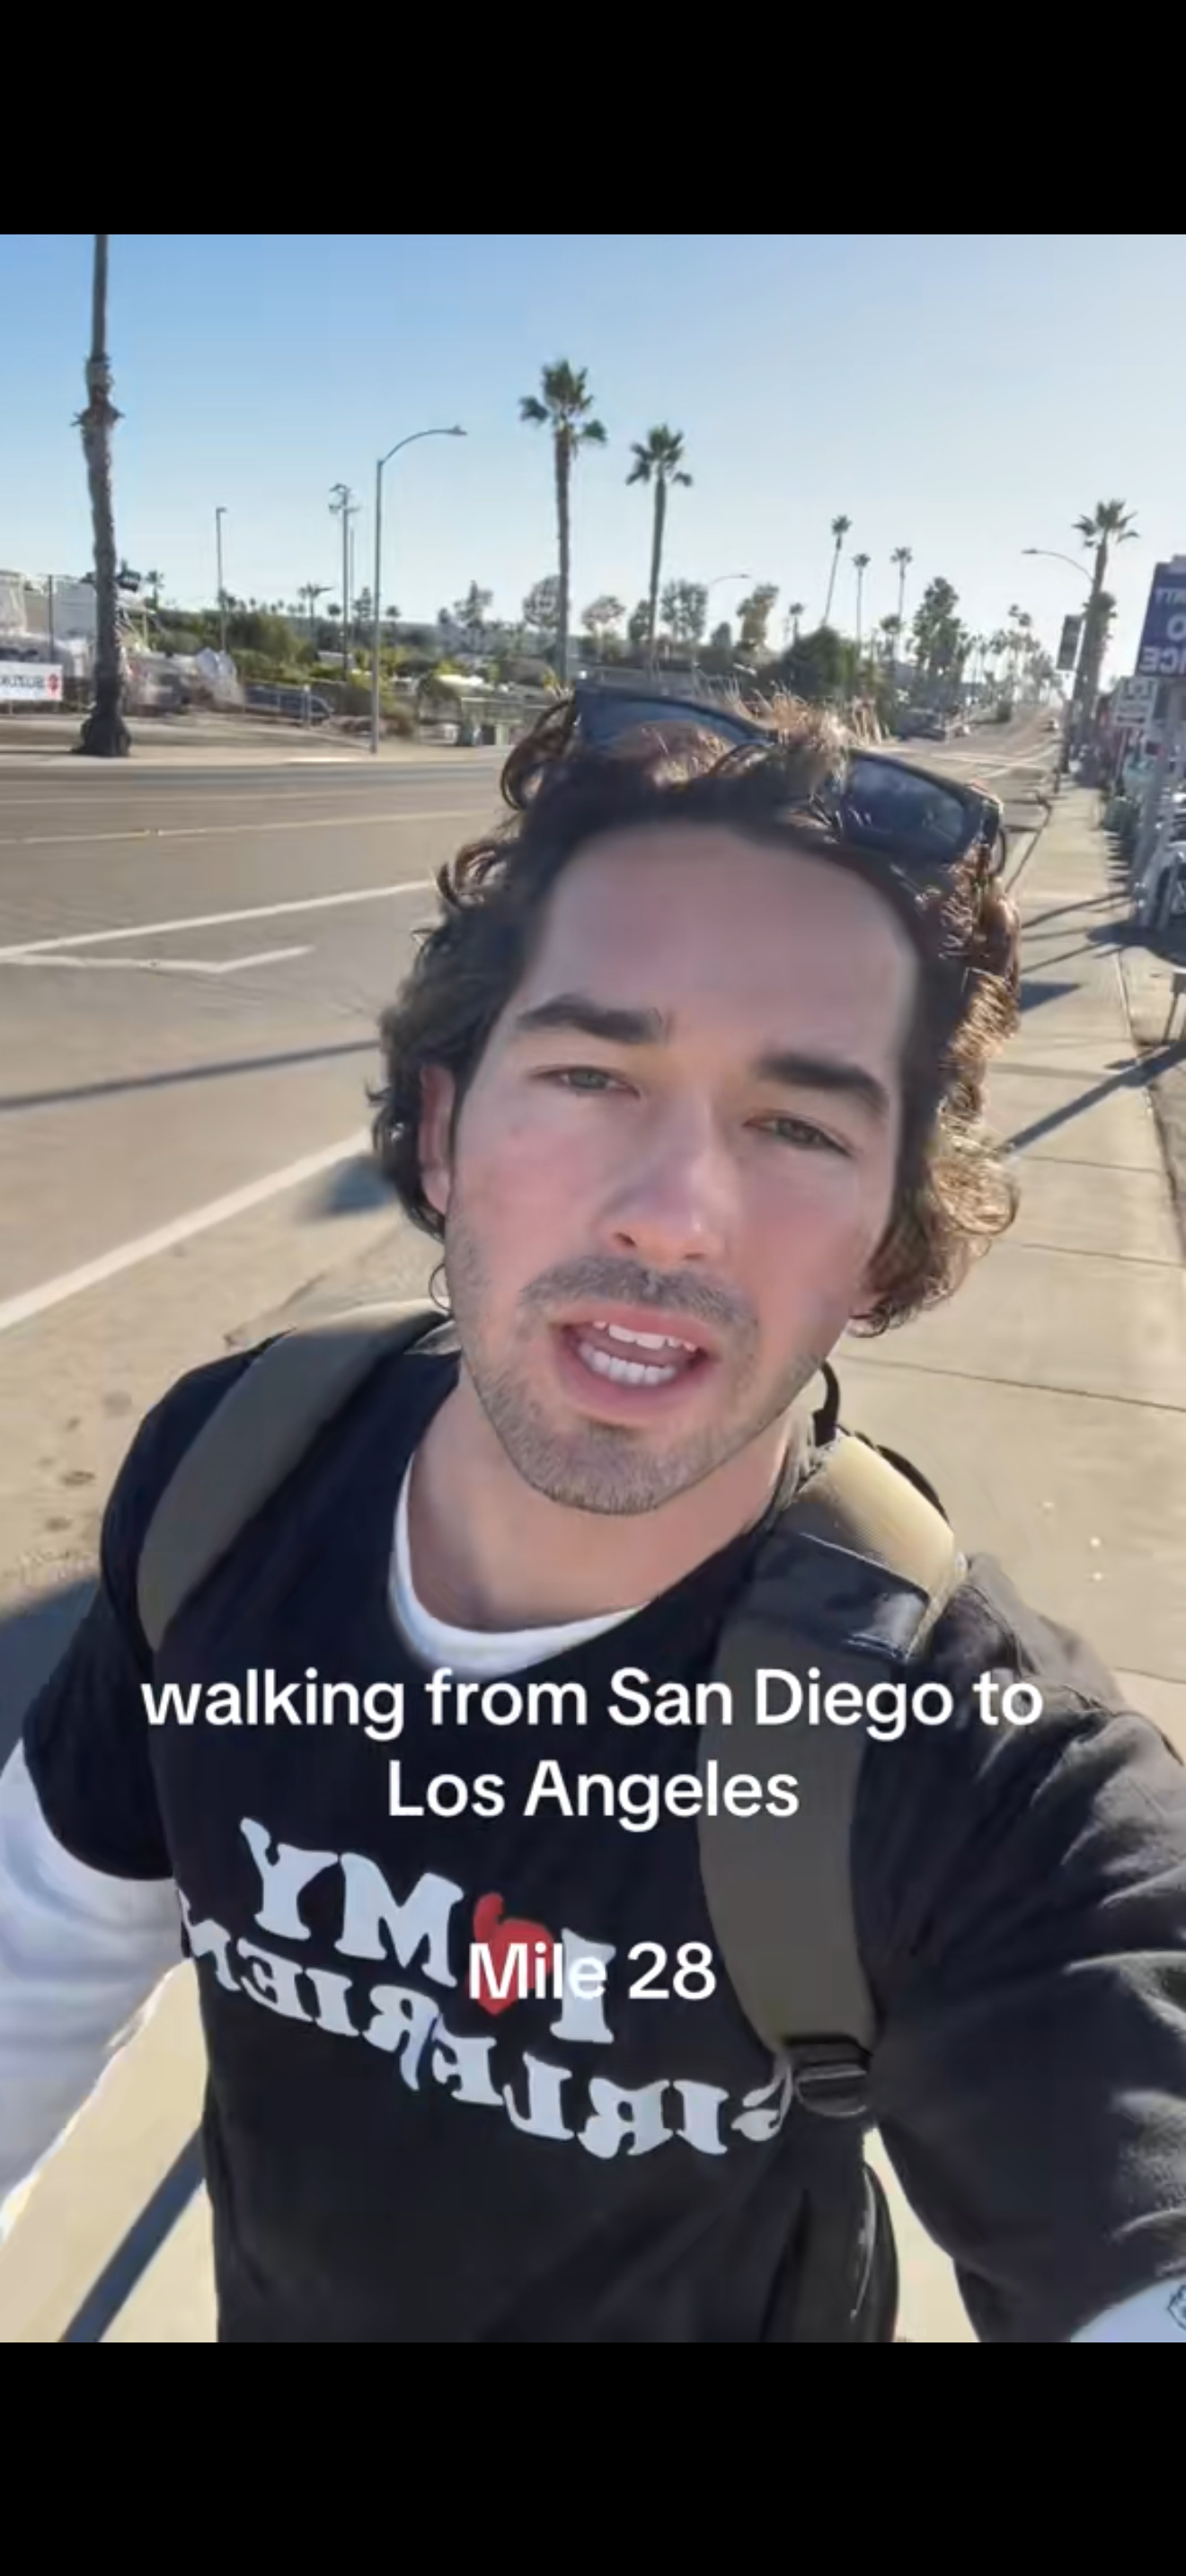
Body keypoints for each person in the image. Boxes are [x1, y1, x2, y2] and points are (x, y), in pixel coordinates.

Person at [2, 704, 1185, 2345]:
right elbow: (44, 1944)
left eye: (798, 1124)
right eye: (590, 1073)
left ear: (884, 1238)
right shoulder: (227, 1488)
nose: (674, 1212)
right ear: (442, 1131)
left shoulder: (967, 1772)